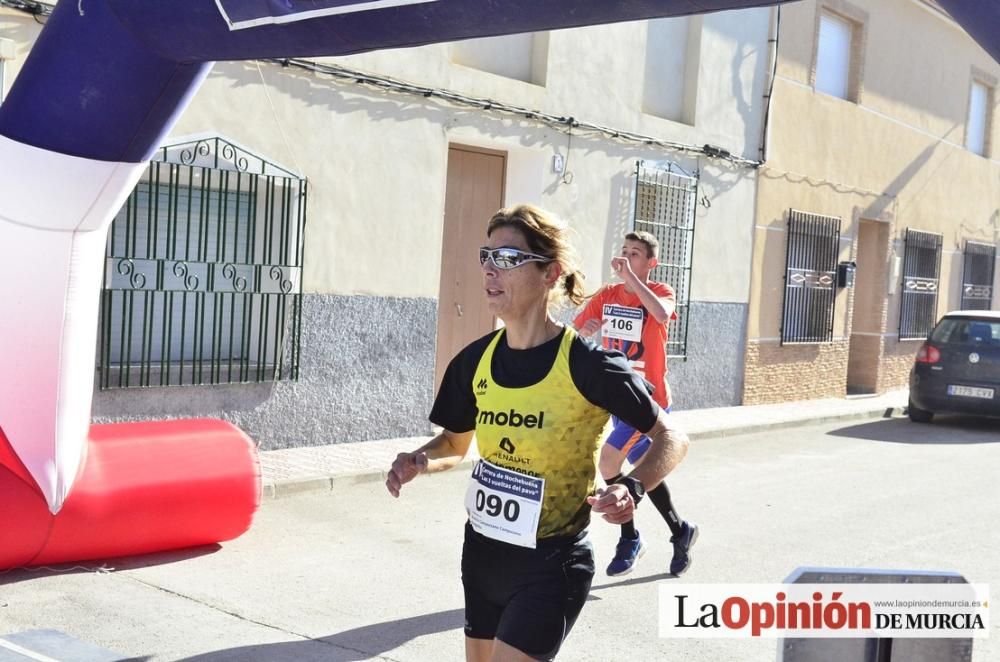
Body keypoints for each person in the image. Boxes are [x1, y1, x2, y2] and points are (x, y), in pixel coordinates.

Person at [386, 205, 689, 662]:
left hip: (552, 562)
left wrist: (631, 486)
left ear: (551, 273)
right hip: (483, 555)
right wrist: (420, 460)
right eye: (486, 256)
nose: (490, 269)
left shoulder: (589, 364)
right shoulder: (473, 362)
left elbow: (672, 438)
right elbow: (454, 442)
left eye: (508, 258)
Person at [573, 231, 698, 578]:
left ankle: (629, 538)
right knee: (648, 474)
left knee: (609, 459)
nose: (627, 258)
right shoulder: (607, 295)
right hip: (618, 397)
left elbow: (660, 314)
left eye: (636, 254)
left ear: (650, 263)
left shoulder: (660, 291)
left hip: (649, 401)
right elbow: (576, 332)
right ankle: (680, 531)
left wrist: (633, 280)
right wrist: (587, 330)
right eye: (624, 251)